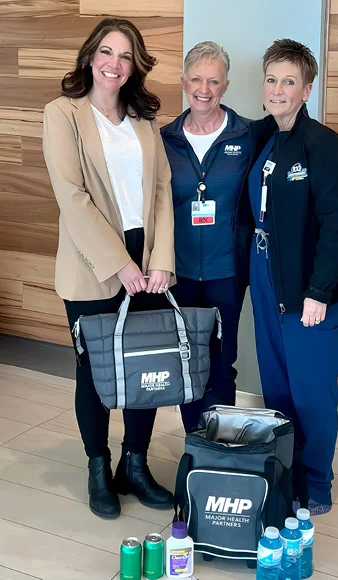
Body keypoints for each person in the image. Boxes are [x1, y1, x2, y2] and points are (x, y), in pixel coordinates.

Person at [42, 18, 175, 520]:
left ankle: (134, 467)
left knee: (147, 365)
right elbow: (72, 198)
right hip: (92, 261)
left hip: (148, 258)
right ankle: (98, 468)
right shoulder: (62, 114)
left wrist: (160, 260)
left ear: (134, 65)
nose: (114, 64)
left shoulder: (144, 120)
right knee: (95, 371)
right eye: (107, 52)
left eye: (125, 56)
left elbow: (162, 190)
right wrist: (120, 264)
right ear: (90, 56)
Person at [243, 39, 338, 515]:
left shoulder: (324, 146)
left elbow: (336, 226)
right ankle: (286, 476)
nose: (277, 89)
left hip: (311, 288)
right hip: (267, 277)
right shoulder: (263, 138)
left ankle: (317, 484)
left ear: (307, 89)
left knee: (312, 392)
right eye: (271, 79)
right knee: (277, 388)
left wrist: (319, 292)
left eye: (289, 81)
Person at [161, 42, 252, 432]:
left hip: (226, 274)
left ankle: (222, 447)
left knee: (221, 362)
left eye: (213, 81)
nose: (204, 88)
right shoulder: (163, 139)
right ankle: (196, 443)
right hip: (176, 273)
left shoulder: (248, 136)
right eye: (196, 79)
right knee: (186, 361)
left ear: (225, 85)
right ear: (183, 83)